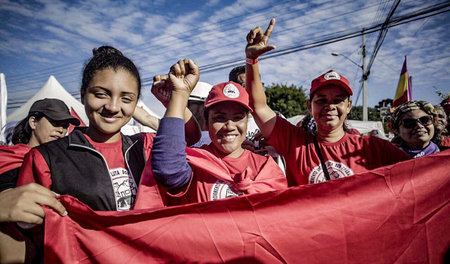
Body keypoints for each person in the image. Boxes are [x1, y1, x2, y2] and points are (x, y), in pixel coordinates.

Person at [17, 46, 200, 212]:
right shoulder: (45, 158)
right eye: (101, 94)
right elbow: (28, 232)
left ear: (135, 103)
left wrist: (178, 96)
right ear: (83, 94)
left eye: (126, 99)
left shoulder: (145, 145)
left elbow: (189, 137)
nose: (112, 107)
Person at [244, 19, 411, 186]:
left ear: (349, 106)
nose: (330, 106)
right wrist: (252, 61)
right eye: (321, 100)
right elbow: (258, 106)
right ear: (310, 106)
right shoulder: (294, 142)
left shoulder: (372, 148)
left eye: (338, 100)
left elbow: (419, 175)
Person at [151, 59, 287, 205]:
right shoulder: (195, 163)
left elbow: (280, 215)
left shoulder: (266, 167)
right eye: (219, 118)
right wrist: (178, 94)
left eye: (238, 118)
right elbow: (168, 171)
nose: (229, 125)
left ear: (247, 121)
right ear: (207, 122)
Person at [1, 98, 78, 263]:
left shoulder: (66, 161)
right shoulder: (10, 159)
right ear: (34, 122)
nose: (61, 130)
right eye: (55, 122)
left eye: (65, 125)